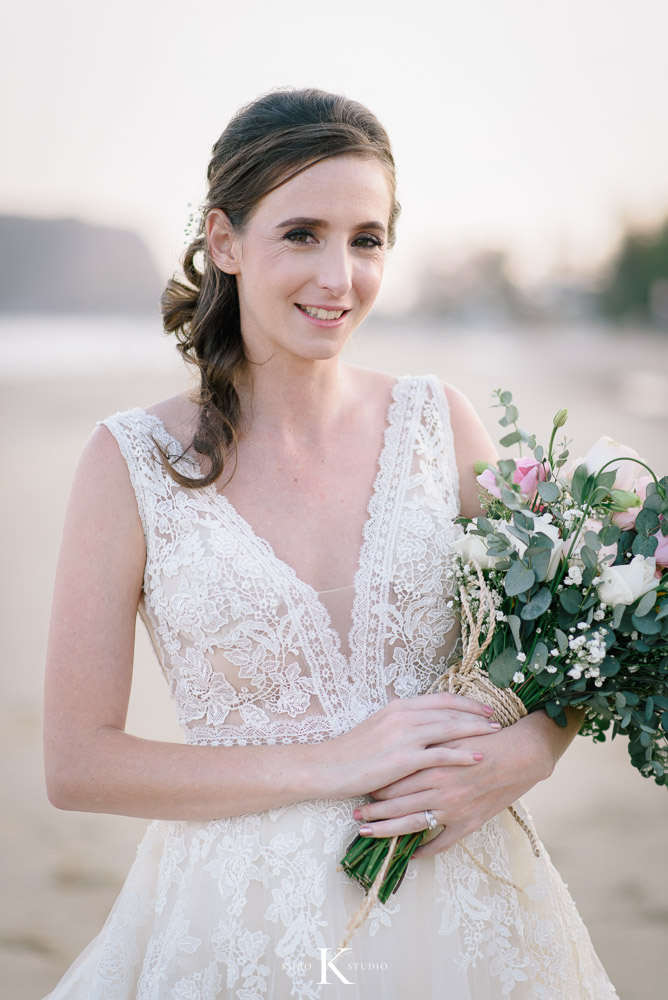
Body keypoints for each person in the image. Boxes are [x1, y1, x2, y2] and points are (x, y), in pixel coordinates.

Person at [42, 87, 618, 998]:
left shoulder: (442, 426)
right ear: (225, 241)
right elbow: (78, 765)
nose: (339, 278)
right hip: (238, 920)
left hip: (464, 898)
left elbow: (574, 640)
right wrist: (333, 761)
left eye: (367, 239)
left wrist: (532, 753)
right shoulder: (130, 463)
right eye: (302, 233)